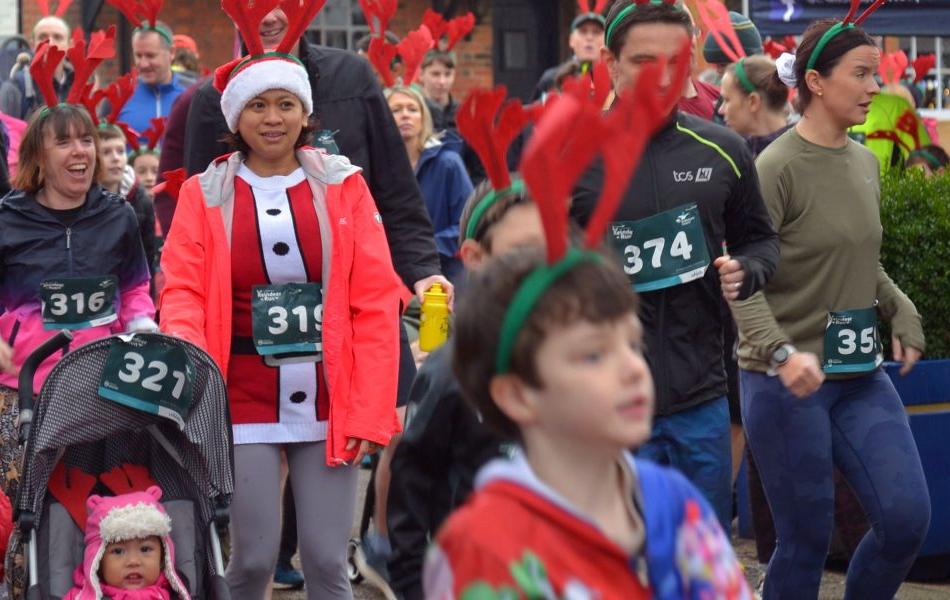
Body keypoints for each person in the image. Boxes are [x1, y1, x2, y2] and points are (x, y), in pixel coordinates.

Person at [158, 3, 405, 595]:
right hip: (240, 396)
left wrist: (372, 405)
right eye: (258, 106)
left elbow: (374, 299)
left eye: (285, 104)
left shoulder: (345, 186)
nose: (273, 119)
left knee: (325, 559)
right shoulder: (204, 193)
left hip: (330, 396)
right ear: (235, 117)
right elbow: (183, 292)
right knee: (250, 561)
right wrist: (195, 382)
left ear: (305, 113)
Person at [728, 12, 931, 598]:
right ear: (815, 82)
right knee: (804, 542)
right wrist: (782, 352)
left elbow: (860, 256)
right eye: (861, 74)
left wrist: (899, 306)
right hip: (783, 380)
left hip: (859, 372)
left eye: (874, 75)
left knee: (905, 521)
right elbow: (743, 281)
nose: (874, 87)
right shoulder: (774, 168)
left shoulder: (864, 161)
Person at [572, 0, 779, 532]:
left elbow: (761, 242)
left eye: (675, 60)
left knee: (699, 562)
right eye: (643, 60)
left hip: (699, 401)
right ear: (612, 65)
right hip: (604, 403)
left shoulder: (725, 150)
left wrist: (746, 269)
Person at [387, 179, 543, 600]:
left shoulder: (587, 357)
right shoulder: (450, 371)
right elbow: (411, 497)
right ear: (475, 257)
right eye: (520, 252)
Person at [0, 103, 156, 507]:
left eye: (86, 140)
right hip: (24, 389)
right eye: (64, 141)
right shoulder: (7, 220)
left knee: (100, 507)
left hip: (103, 386)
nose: (80, 151)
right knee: (21, 513)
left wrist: (140, 323)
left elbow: (136, 286)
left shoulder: (118, 215)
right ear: (38, 155)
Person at [386, 85, 472, 283]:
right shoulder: (378, 166)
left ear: (423, 118)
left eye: (412, 109)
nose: (405, 115)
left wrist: (425, 247)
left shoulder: (448, 163)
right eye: (396, 110)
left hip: (445, 275)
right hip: (393, 278)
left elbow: (466, 224)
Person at [64, 486, 190, 598]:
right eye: (118, 551)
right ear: (98, 560)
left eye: (145, 549)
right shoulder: (80, 597)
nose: (133, 562)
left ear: (163, 557)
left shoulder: (172, 595)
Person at [97, 124, 158, 275]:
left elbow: (147, 260)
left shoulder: (141, 201)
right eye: (106, 152)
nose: (116, 158)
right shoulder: (81, 198)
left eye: (120, 151)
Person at [117, 21, 186, 145]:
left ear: (171, 52)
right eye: (138, 55)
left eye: (150, 56)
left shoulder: (191, 95)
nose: (143, 64)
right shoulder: (119, 96)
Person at [0, 16, 73, 120]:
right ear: (32, 45)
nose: (50, 43)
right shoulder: (16, 87)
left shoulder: (81, 86)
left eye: (58, 37)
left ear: (70, 45)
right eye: (42, 37)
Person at [718, 56, 791, 158]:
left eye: (727, 100)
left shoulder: (793, 157)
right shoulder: (742, 153)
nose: (720, 110)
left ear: (753, 101)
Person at [533, 6, 605, 101]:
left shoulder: (615, 79)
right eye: (583, 31)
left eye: (596, 32)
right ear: (571, 40)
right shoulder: (552, 78)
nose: (589, 38)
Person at [701, 11, 763, 86]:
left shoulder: (771, 92)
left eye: (723, 65)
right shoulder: (714, 89)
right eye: (716, 65)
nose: (718, 71)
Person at [418, 51, 458, 132]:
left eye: (448, 74)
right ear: (421, 74)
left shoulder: (461, 113)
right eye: (435, 74)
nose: (442, 81)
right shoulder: (414, 111)